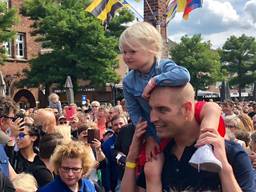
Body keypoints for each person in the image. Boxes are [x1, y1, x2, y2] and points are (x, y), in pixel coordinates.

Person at [120, 21, 224, 191]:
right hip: (157, 127)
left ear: (151, 48)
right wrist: (149, 137)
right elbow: (134, 111)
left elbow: (184, 75)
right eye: (124, 52)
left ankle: (205, 145)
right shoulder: (128, 82)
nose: (127, 56)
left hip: (180, 112)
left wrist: (155, 81)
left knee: (210, 108)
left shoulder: (163, 66)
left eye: (132, 51)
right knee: (150, 167)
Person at [121, 83, 255, 191]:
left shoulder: (230, 153)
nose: (152, 118)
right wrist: (132, 157)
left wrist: (224, 168)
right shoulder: (158, 156)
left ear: (186, 109)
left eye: (162, 110)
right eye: (151, 109)